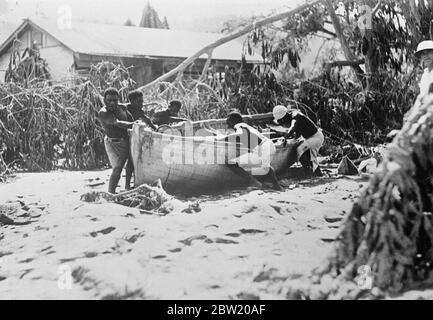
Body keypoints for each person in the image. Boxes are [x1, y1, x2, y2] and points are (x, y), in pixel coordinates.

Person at [220, 112, 282, 190]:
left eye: (228, 121)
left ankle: (253, 181)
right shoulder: (246, 126)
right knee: (266, 165)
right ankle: (277, 186)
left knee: (230, 162)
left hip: (262, 148)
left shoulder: (238, 125)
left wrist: (221, 138)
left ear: (234, 121)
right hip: (269, 145)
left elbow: (239, 134)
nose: (227, 124)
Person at [98, 88, 135, 194]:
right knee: (117, 168)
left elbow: (130, 119)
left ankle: (128, 187)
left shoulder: (122, 108)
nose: (112, 103)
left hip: (126, 139)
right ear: (104, 100)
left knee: (131, 163)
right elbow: (117, 123)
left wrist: (137, 122)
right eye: (109, 100)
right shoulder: (103, 113)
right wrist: (136, 124)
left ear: (118, 99)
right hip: (112, 143)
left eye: (115, 100)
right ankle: (111, 193)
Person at [272, 105, 324, 177]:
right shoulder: (293, 117)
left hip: (315, 137)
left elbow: (293, 127)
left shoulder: (295, 115)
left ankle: (308, 173)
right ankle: (317, 174)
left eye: (282, 120)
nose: (282, 122)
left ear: (285, 116)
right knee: (310, 156)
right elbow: (297, 132)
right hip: (311, 137)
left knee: (300, 149)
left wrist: (285, 137)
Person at [124, 90, 157, 190]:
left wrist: (156, 129)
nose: (142, 104)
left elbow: (146, 120)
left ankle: (135, 183)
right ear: (132, 101)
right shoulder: (125, 109)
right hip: (126, 137)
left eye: (142, 101)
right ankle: (127, 185)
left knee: (135, 160)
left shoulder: (138, 111)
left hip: (134, 138)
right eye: (139, 102)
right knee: (130, 161)